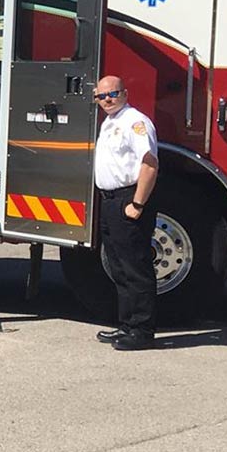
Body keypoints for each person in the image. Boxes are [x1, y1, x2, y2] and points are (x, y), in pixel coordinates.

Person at [91, 75, 160, 350]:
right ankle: (127, 325)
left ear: (125, 93)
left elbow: (150, 164)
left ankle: (142, 331)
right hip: (110, 202)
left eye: (113, 94)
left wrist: (137, 204)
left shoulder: (136, 122)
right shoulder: (109, 123)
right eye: (102, 96)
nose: (107, 100)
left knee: (135, 269)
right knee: (118, 267)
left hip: (128, 200)